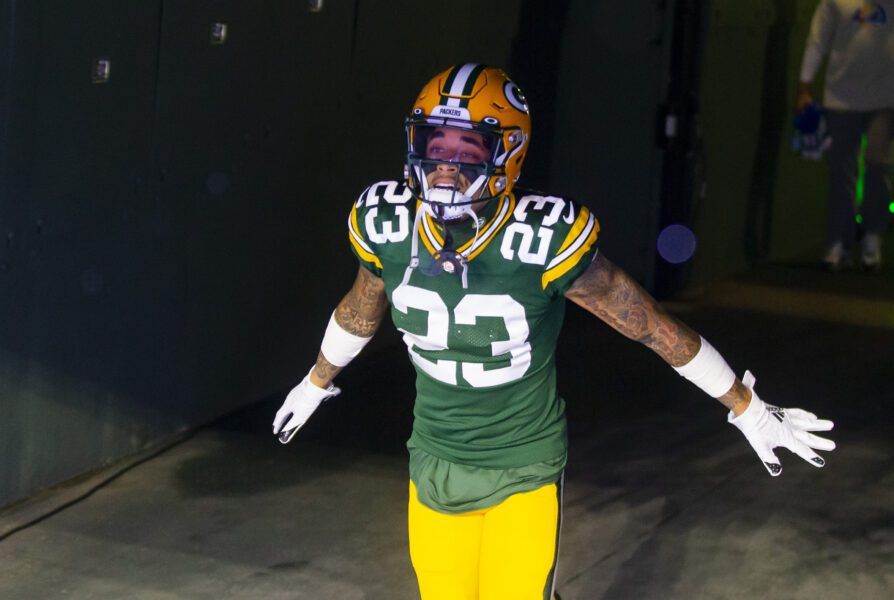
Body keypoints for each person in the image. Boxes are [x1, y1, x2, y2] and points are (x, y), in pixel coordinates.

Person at [273, 64, 836, 600]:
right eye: (434, 146)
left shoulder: (538, 239)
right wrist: (317, 381)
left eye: (468, 150)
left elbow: (649, 327)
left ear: (509, 154)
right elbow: (361, 305)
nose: (445, 166)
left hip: (524, 464)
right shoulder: (387, 223)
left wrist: (747, 406)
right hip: (434, 459)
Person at [796, 0, 894, 272]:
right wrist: (804, 86)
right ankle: (839, 241)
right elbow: (818, 40)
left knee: (877, 164)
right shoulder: (835, 1)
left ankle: (872, 235)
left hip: (884, 98)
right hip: (840, 99)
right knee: (842, 172)